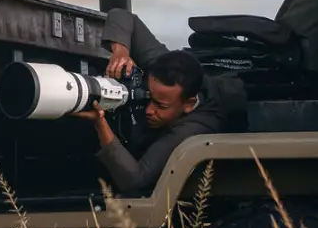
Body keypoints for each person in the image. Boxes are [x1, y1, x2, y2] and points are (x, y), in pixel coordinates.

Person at [77, 50, 224, 197]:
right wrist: (121, 50)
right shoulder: (164, 65)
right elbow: (132, 25)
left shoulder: (191, 130)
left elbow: (135, 181)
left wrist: (100, 123)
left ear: (188, 105)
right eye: (148, 95)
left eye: (161, 106)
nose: (149, 110)